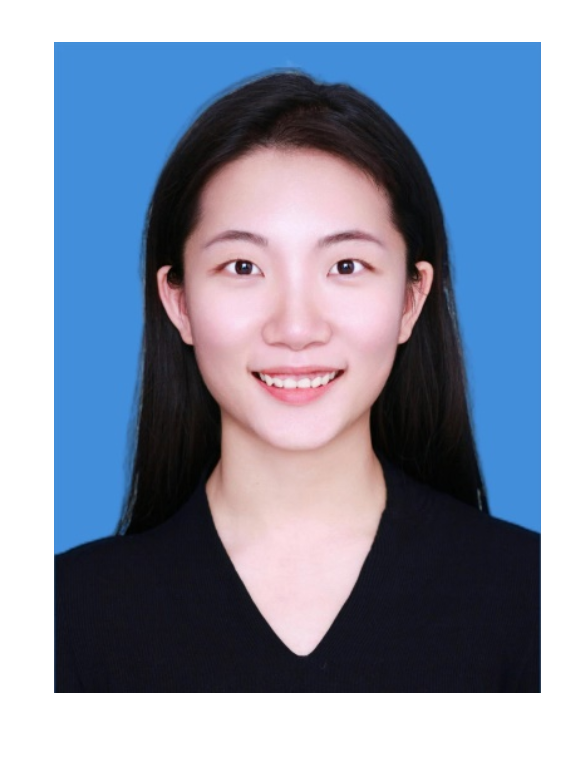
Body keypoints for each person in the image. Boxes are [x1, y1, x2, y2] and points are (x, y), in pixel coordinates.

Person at [55, 71, 540, 692]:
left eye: (346, 265)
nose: (296, 328)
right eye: (242, 266)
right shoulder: (63, 617)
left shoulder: (535, 600)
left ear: (410, 300)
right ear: (178, 303)